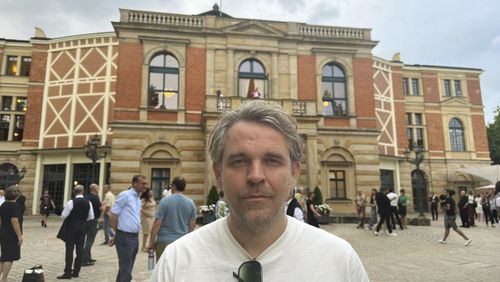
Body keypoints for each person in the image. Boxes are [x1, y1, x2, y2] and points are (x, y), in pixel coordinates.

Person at [152, 101, 369, 281]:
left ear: (294, 173)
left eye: (272, 160)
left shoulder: (341, 261)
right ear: (218, 174)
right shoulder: (176, 262)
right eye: (239, 161)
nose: (256, 175)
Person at [109, 175, 149, 282]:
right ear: (135, 183)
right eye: (143, 183)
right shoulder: (125, 195)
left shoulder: (138, 198)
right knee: (126, 269)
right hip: (125, 236)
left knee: (127, 267)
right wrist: (115, 233)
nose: (146, 186)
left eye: (146, 183)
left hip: (134, 237)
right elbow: (113, 214)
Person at [147, 176, 197, 261]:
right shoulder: (190, 203)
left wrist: (151, 243)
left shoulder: (165, 201)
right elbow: (192, 224)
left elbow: (157, 223)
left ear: (173, 186)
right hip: (182, 241)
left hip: (164, 241)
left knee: (163, 270)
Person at [57, 185, 94, 279]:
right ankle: (76, 271)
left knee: (69, 249)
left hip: (71, 227)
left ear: (74, 192)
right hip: (82, 227)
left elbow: (63, 216)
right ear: (83, 192)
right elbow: (91, 217)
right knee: (80, 249)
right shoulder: (88, 202)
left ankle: (68, 272)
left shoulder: (71, 202)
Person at [0, 186, 23, 282]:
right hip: (11, 234)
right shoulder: (15, 206)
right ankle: (4, 278)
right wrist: (19, 235)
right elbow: (14, 221)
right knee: (9, 257)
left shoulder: (3, 205)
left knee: (3, 256)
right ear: (16, 195)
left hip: (3, 232)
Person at [82, 184, 101, 266]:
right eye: (98, 188)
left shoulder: (86, 197)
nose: (99, 189)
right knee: (90, 240)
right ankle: (85, 258)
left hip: (85, 220)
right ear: (94, 189)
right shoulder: (95, 198)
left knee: (86, 239)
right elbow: (100, 208)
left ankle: (88, 257)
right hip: (93, 220)